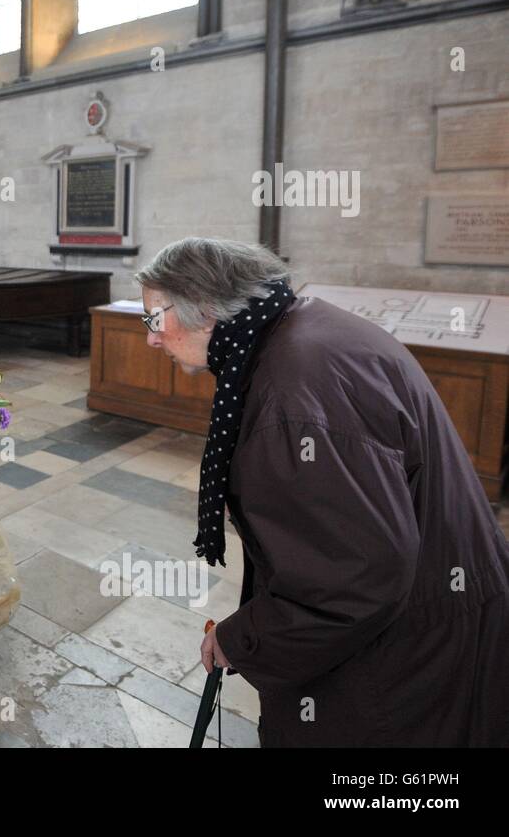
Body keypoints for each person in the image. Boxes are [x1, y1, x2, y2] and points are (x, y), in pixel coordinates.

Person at [135, 237, 509, 746]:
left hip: (399, 659)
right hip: (432, 609)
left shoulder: (294, 394)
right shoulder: (301, 329)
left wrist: (243, 638)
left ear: (204, 308)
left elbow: (352, 578)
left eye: (155, 319)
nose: (152, 339)